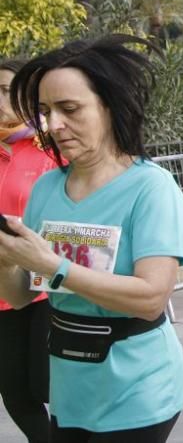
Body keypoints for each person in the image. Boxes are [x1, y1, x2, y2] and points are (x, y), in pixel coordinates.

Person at [0, 35, 183, 441]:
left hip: (139, 389)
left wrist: (54, 266)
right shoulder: (47, 189)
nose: (53, 125)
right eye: (46, 111)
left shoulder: (151, 188)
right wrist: (7, 257)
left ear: (109, 105)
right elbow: (20, 295)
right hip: (70, 388)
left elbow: (151, 296)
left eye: (69, 109)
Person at [0, 59, 53, 442]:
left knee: (46, 386)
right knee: (16, 393)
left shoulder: (51, 149)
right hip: (2, 291)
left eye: (5, 91)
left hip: (44, 288)